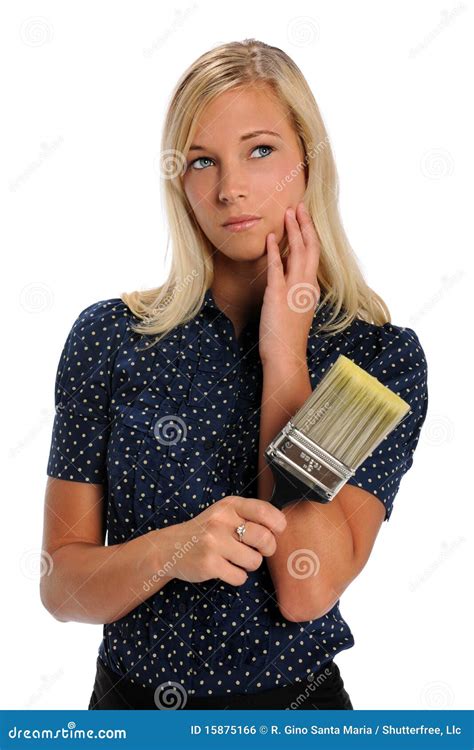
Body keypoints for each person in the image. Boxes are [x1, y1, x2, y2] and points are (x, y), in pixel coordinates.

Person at [40, 39, 428, 710]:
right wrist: (175, 550)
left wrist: (286, 352)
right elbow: (61, 587)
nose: (230, 189)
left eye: (259, 150)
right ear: (179, 180)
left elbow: (308, 587)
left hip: (297, 715)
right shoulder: (108, 338)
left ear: (307, 160)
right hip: (133, 718)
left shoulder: (375, 359)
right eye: (201, 161)